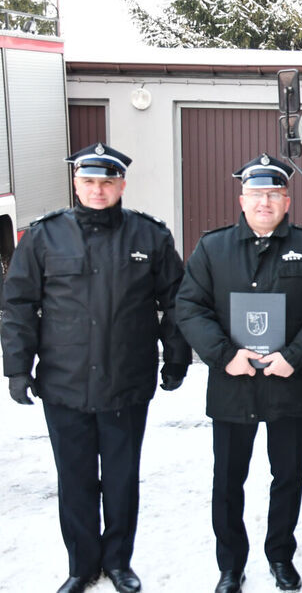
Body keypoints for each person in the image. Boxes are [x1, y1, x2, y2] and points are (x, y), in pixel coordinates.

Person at [1, 143, 191, 593]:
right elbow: (18, 305)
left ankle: (119, 561)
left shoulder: (150, 237)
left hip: (126, 379)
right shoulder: (45, 237)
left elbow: (177, 302)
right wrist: (17, 367)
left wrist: (177, 356)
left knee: (122, 479)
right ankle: (82, 565)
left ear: (122, 183)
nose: (98, 189)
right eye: (89, 181)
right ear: (76, 183)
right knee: (76, 479)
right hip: (64, 382)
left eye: (107, 181)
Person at [175, 154, 302, 593]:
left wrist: (295, 354)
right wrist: (222, 354)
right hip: (232, 384)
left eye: (274, 194)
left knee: (287, 476)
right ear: (242, 198)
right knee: (228, 480)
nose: (265, 201)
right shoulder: (213, 248)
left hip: (286, 383)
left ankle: (280, 557)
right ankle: (231, 565)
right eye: (256, 194)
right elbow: (189, 307)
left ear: (287, 200)